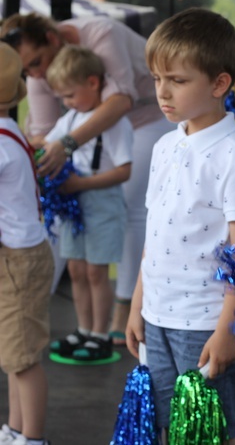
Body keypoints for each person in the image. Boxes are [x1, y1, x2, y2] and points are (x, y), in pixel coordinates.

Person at [125, 8, 235, 444]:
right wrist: (137, 304)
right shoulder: (166, 145)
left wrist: (226, 329)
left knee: (207, 431)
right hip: (157, 314)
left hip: (204, 321)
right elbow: (155, 232)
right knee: (167, 425)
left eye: (177, 81)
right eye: (156, 79)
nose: (162, 92)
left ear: (219, 83)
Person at [0, 13, 173, 343]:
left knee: (134, 203)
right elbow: (44, 132)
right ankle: (39, 304)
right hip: (94, 129)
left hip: (149, 114)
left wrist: (66, 144)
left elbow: (120, 100)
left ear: (52, 39)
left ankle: (125, 307)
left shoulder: (100, 33)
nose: (35, 74)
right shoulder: (42, 73)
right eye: (27, 70)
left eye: (36, 62)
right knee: (71, 242)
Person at [44, 45, 133, 361]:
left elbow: (125, 170)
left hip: (102, 203)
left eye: (70, 95)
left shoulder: (114, 122)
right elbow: (48, 143)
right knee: (77, 269)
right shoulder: (71, 119)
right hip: (74, 204)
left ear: (93, 83)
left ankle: (100, 334)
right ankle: (83, 330)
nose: (66, 103)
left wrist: (80, 183)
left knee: (97, 272)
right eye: (62, 98)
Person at [0, 42, 54, 445]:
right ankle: (16, 430)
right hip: (19, 256)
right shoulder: (8, 129)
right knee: (13, 354)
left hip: (19, 261)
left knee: (22, 357)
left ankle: (31, 437)